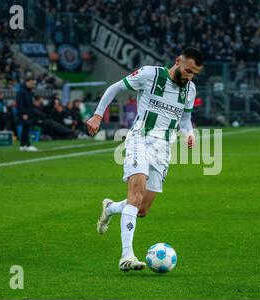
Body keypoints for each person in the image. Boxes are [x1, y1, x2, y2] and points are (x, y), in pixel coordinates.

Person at [86, 47, 203, 271]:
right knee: (136, 195)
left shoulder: (190, 90)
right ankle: (126, 256)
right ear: (177, 61)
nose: (189, 76)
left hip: (163, 149)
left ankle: (110, 208)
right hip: (139, 139)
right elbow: (115, 88)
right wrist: (98, 115)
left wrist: (189, 134)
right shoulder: (150, 74)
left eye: (194, 74)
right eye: (187, 70)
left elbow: (186, 119)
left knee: (142, 209)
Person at [16, 75, 38, 152]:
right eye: (31, 83)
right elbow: (20, 103)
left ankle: (22, 145)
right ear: (26, 82)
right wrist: (23, 113)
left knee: (26, 129)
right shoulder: (21, 92)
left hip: (29, 113)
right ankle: (28, 144)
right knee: (26, 129)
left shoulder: (29, 92)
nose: (32, 85)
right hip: (25, 113)